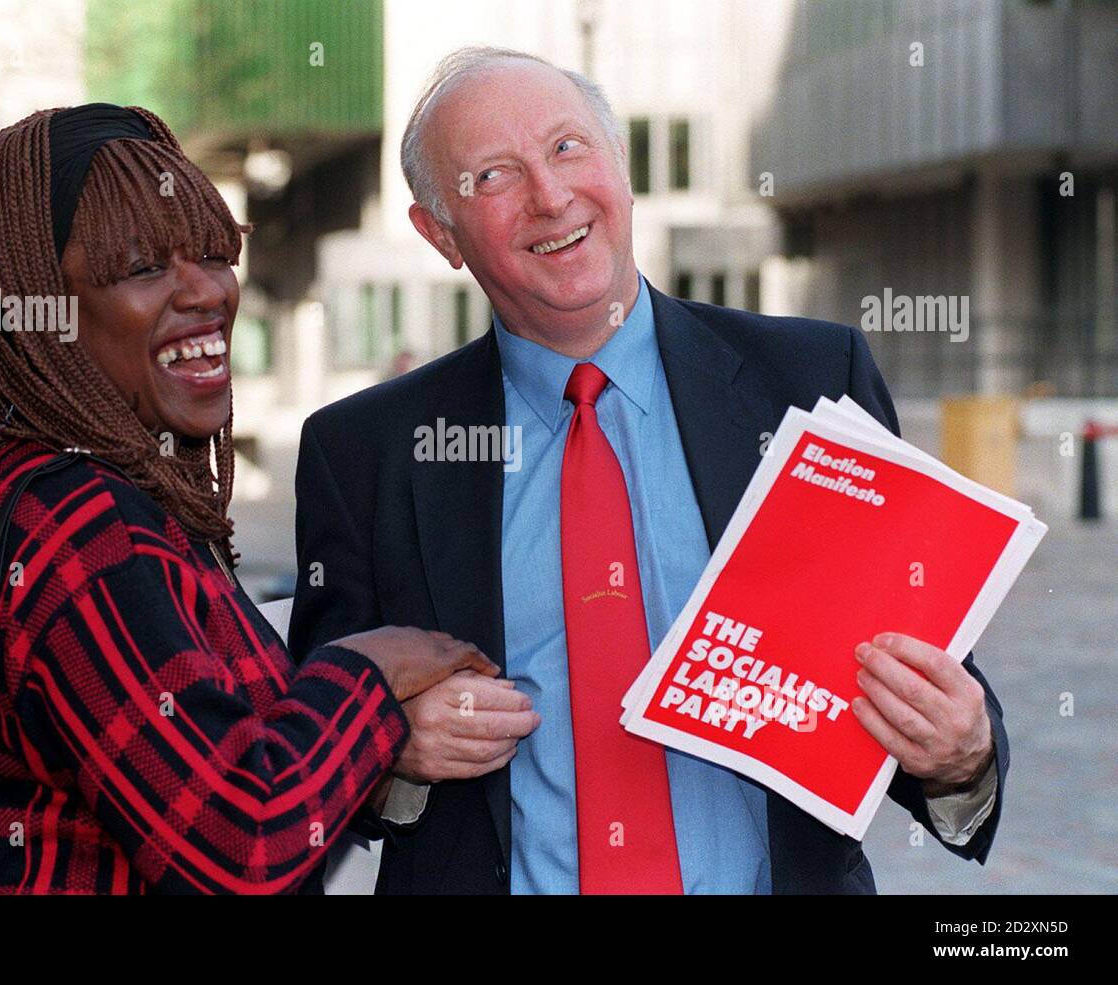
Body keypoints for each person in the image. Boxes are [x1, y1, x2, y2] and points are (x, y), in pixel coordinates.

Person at [288, 48, 1007, 894]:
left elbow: (915, 659)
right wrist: (389, 747)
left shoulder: (810, 382)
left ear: (622, 171)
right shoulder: (364, 452)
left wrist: (965, 756)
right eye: (494, 175)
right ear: (439, 232)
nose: (552, 197)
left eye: (567, 148)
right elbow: (314, 757)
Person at [0, 103, 495, 894]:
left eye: (213, 254)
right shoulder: (79, 525)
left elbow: (214, 760)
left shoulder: (73, 490)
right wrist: (370, 670)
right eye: (142, 268)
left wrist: (374, 741)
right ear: (39, 313)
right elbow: (241, 848)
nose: (207, 293)